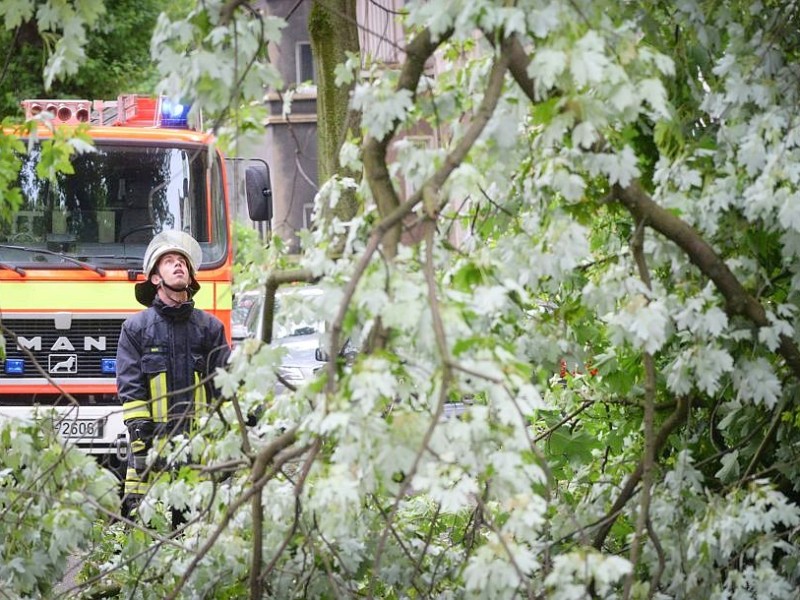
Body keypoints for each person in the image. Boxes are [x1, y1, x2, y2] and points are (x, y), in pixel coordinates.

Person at [116, 230, 231, 519]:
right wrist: (141, 437)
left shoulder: (210, 328)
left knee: (198, 541)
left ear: (191, 278)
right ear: (155, 278)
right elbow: (130, 388)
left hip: (200, 455)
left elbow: (225, 388)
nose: (179, 264)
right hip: (152, 454)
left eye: (183, 261)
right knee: (147, 539)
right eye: (169, 261)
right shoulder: (136, 329)